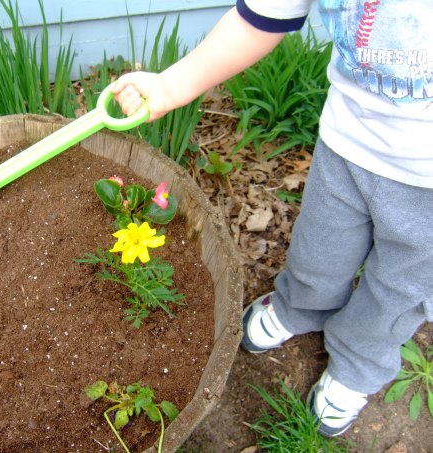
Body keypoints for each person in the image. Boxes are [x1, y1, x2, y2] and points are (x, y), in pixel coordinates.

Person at [112, 0, 433, 438]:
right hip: (348, 143)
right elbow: (259, 18)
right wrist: (170, 87)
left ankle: (361, 360)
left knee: (402, 288)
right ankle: (301, 305)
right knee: (321, 247)